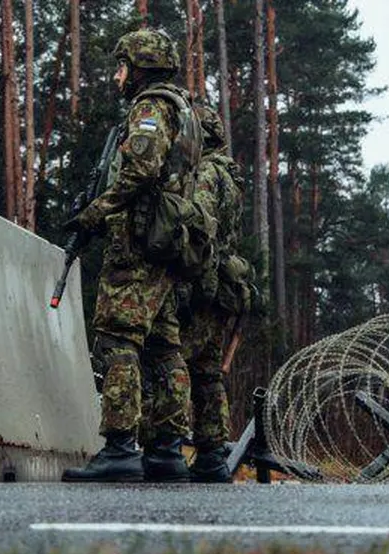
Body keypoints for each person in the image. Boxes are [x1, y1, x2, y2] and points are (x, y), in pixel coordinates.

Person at [60, 28, 202, 483]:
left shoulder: (150, 108)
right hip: (164, 243)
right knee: (163, 347)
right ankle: (167, 451)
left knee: (117, 339)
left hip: (138, 245)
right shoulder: (184, 110)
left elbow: (139, 170)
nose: (117, 76)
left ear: (141, 67)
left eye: (122, 67)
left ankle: (120, 448)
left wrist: (93, 213)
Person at [180, 105, 246, 483]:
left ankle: (167, 445)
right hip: (221, 285)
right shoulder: (230, 176)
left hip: (202, 283)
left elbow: (198, 225)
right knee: (207, 372)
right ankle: (212, 453)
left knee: (175, 361)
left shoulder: (206, 173)